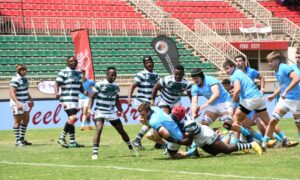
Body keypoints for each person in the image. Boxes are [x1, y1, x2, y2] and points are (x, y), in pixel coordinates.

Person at [223, 60, 296, 151]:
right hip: (259, 98)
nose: (226, 71)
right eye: (225, 69)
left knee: (235, 121)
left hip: (250, 99)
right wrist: (261, 89)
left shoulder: (234, 76)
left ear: (233, 66)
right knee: (268, 121)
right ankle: (285, 139)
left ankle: (238, 144)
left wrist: (232, 102)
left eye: (228, 68)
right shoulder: (239, 72)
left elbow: (237, 89)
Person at [89, 67, 138, 160]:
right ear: (106, 74)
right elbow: (91, 97)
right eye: (112, 74)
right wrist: (89, 109)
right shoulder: (100, 84)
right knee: (99, 129)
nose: (114, 76)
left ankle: (131, 148)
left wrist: (121, 111)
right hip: (100, 111)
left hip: (111, 112)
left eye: (115, 75)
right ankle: (95, 153)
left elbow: (116, 100)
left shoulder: (116, 86)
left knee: (121, 131)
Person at [262, 51, 300, 150]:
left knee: (298, 124)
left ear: (277, 60)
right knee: (273, 120)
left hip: (296, 100)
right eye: (268, 61)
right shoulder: (276, 70)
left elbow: (296, 79)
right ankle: (264, 145)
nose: (269, 63)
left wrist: (286, 91)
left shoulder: (284, 67)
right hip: (284, 100)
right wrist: (274, 95)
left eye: (271, 61)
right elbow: (283, 85)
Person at [150, 65, 192, 148]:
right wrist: (152, 100)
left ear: (183, 74)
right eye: (175, 74)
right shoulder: (167, 79)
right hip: (164, 101)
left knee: (180, 123)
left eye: (179, 74)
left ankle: (183, 141)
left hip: (176, 103)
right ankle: (161, 141)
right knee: (165, 119)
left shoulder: (187, 84)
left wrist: (193, 105)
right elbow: (156, 87)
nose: (177, 76)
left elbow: (191, 96)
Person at [128, 56, 160, 150]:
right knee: (151, 122)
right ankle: (138, 140)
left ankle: (139, 140)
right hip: (141, 101)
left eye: (150, 62)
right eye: (147, 63)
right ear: (144, 64)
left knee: (152, 122)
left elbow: (158, 88)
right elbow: (133, 86)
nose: (149, 64)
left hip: (150, 102)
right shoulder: (141, 74)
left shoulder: (156, 75)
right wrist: (129, 97)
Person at [55, 56, 84, 148]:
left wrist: (85, 92)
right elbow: (57, 84)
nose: (73, 62)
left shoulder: (79, 73)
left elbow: (80, 86)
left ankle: (72, 142)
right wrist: (56, 93)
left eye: (74, 61)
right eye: (71, 61)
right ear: (67, 62)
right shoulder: (63, 72)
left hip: (75, 99)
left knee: (72, 120)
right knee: (73, 117)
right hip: (66, 99)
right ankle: (61, 138)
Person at [9, 64, 34, 147]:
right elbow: (12, 92)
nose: (24, 71)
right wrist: (17, 103)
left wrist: (31, 99)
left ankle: (22, 139)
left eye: (24, 70)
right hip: (17, 102)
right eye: (22, 70)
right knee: (17, 121)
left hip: (25, 102)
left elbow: (26, 91)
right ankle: (17, 141)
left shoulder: (25, 79)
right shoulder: (15, 79)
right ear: (18, 71)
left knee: (26, 120)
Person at [290, 49, 300, 138]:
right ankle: (299, 135)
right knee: (297, 119)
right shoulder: (292, 68)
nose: (297, 59)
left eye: (299, 57)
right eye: (296, 57)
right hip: (296, 96)